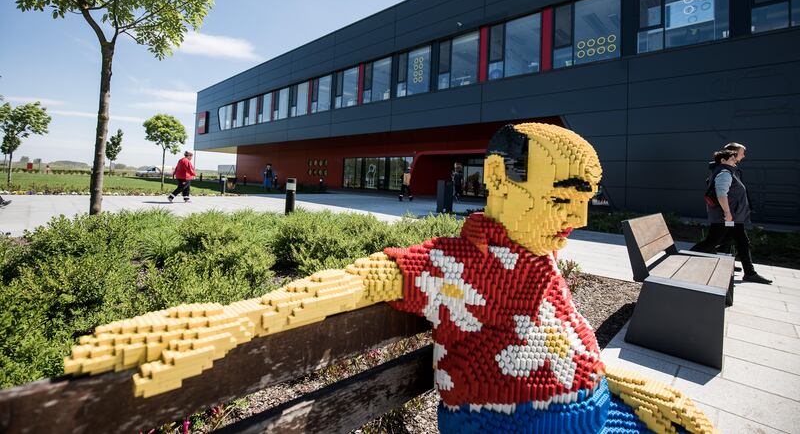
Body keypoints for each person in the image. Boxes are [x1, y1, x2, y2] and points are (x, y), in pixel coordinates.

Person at [65, 123, 716, 433]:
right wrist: (220, 323)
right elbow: (337, 287)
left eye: (587, 201)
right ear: (497, 182)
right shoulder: (455, 269)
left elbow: (566, 333)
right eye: (563, 197)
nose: (576, 216)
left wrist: (616, 377)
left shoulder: (538, 257)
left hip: (593, 410)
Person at [691, 149, 772, 284]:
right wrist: (728, 213)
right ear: (723, 160)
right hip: (726, 216)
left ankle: (749, 272)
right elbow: (721, 193)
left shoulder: (729, 171)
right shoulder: (724, 172)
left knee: (739, 241)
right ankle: (682, 257)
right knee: (713, 241)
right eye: (732, 158)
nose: (735, 160)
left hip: (733, 216)